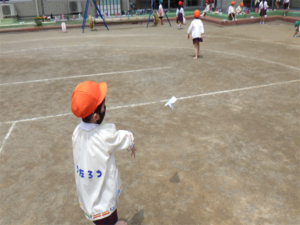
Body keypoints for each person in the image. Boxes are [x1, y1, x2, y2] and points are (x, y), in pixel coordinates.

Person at [71, 81, 137, 225]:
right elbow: (121, 137)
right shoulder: (103, 136)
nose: (105, 107)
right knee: (106, 216)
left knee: (99, 217)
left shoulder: (77, 132)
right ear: (95, 116)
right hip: (102, 197)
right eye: (103, 105)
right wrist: (131, 144)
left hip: (88, 191)